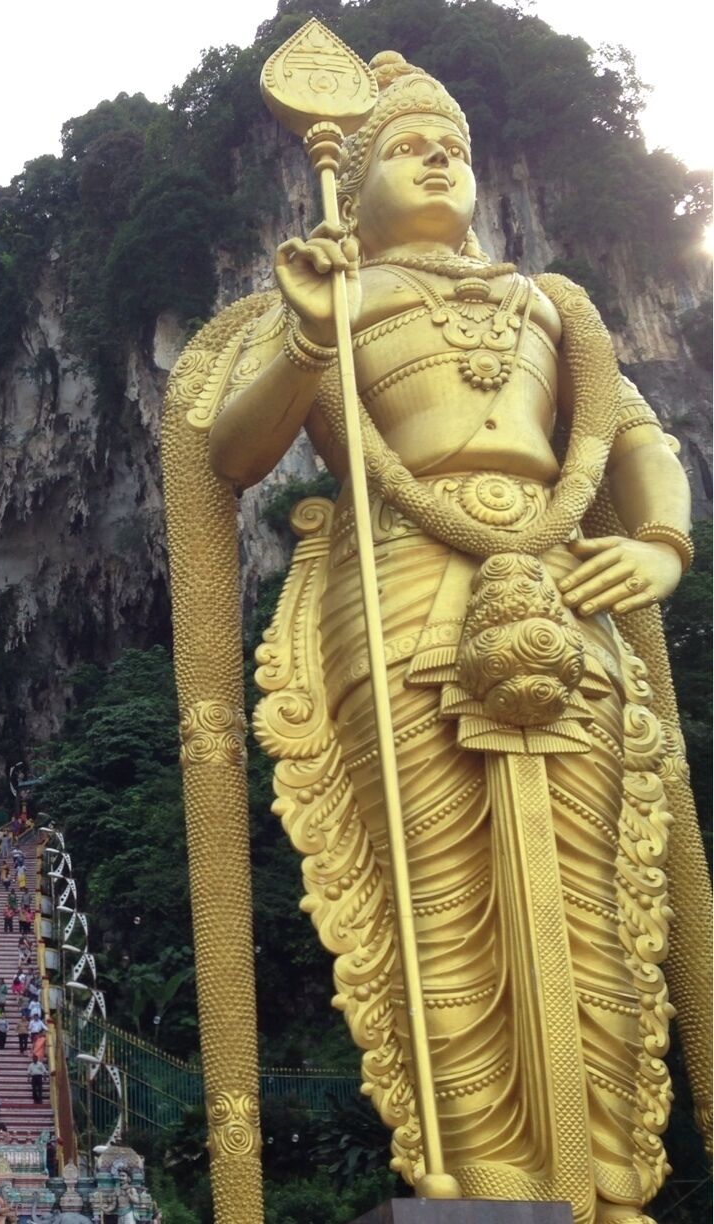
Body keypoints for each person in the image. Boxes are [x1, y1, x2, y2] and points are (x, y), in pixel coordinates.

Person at [167, 37, 708, 1223]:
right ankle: (494, 1180)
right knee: (441, 902)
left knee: (597, 901)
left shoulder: (550, 303)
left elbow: (635, 440)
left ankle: (609, 1177)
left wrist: (662, 545)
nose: (438, 163)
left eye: (453, 148)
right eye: (407, 147)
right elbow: (233, 454)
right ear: (347, 177)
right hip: (400, 590)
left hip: (566, 592)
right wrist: (310, 333)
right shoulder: (329, 291)